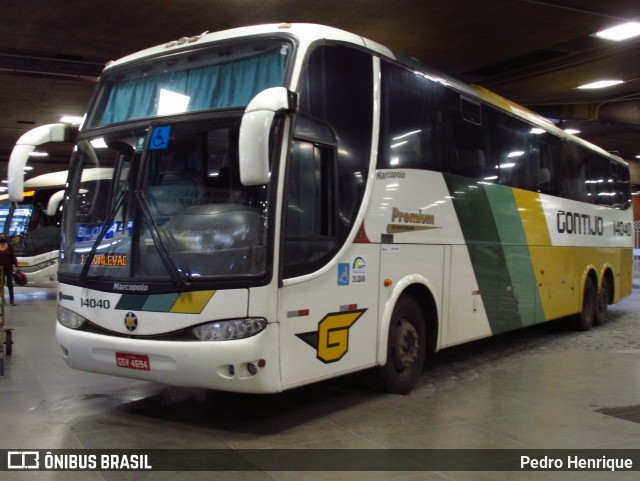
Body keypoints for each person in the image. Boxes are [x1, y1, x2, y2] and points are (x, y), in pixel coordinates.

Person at [0, 234, 18, 306]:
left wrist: (17, 265)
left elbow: (13, 255)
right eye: (0, 238)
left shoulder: (9, 246)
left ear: (6, 238)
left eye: (3, 238)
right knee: (1, 284)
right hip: (0, 269)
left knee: (10, 283)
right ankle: (2, 299)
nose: (2, 239)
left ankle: (12, 300)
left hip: (9, 267)